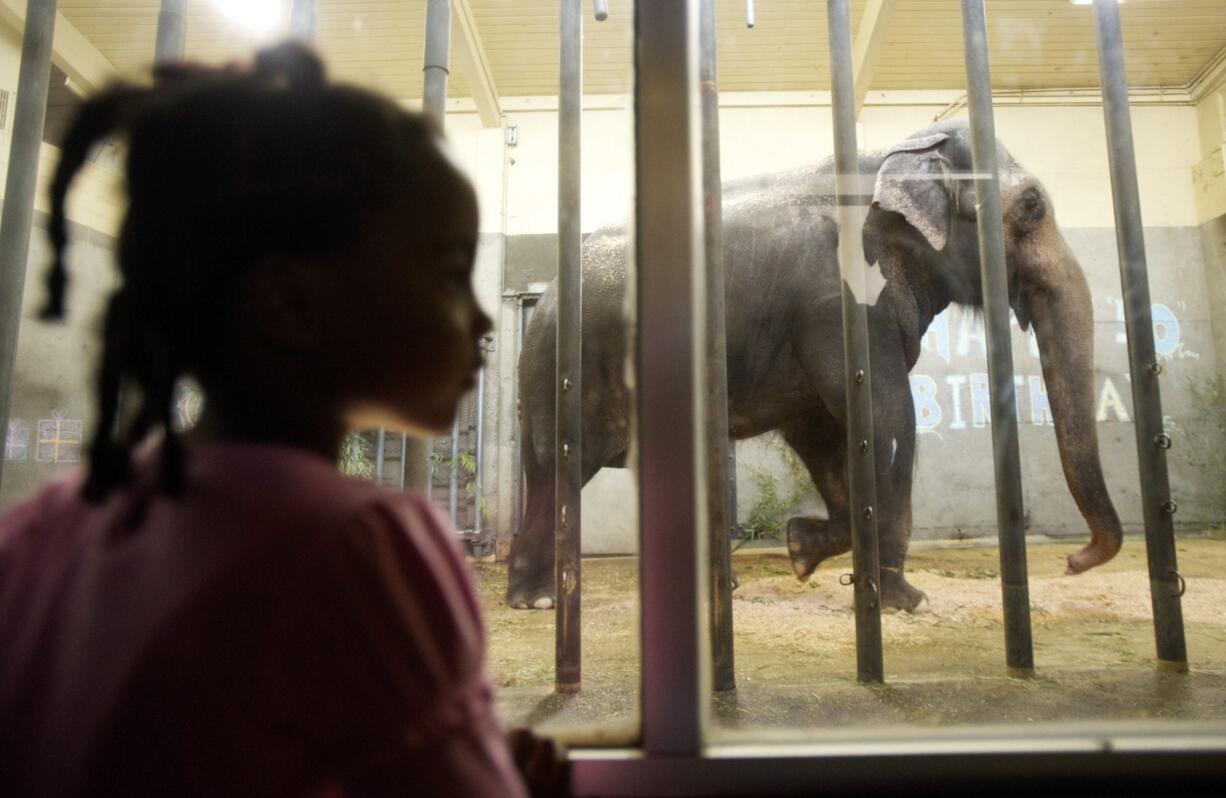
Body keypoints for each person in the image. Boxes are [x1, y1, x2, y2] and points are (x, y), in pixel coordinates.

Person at [0, 43, 563, 797]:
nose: (484, 318)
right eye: (450, 273)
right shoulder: (364, 548)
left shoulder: (38, 533)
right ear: (291, 304)